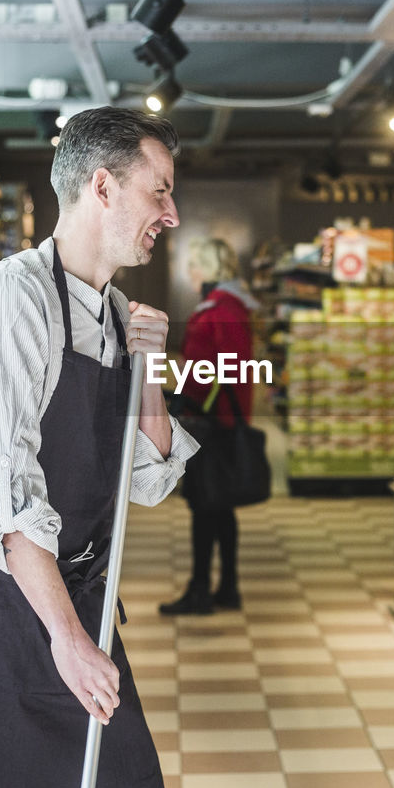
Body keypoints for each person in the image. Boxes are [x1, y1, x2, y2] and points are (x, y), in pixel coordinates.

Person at [0, 108, 199, 788]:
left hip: (69, 594)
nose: (172, 212)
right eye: (159, 191)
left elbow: (152, 478)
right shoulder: (11, 300)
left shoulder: (120, 315)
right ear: (102, 186)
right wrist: (68, 638)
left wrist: (149, 364)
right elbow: (7, 500)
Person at [159, 237, 259, 615]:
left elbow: (225, 372)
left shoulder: (221, 310)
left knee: (204, 507)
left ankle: (201, 590)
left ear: (210, 268)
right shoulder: (228, 306)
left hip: (212, 424)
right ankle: (227, 587)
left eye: (196, 264)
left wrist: (181, 395)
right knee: (219, 507)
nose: (191, 272)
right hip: (219, 420)